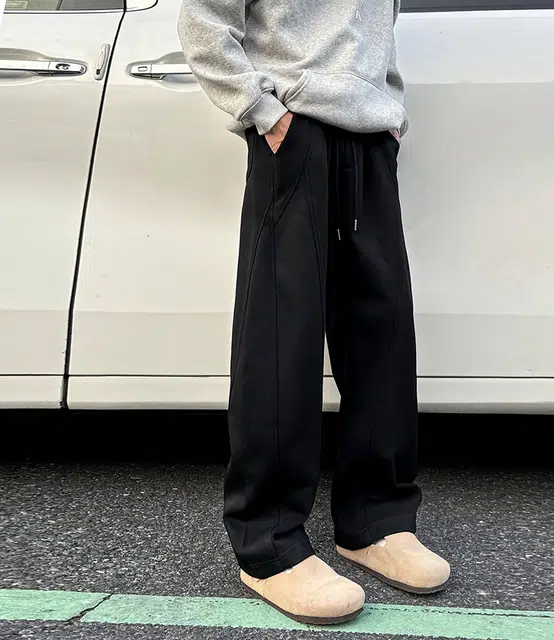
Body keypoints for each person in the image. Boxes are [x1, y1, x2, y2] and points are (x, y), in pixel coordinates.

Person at [178, 0, 450, 625]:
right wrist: (262, 111)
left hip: (370, 137)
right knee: (283, 336)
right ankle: (269, 543)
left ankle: (377, 520)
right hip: (293, 131)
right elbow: (203, 19)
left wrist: (389, 111)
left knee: (381, 332)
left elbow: (374, 28)